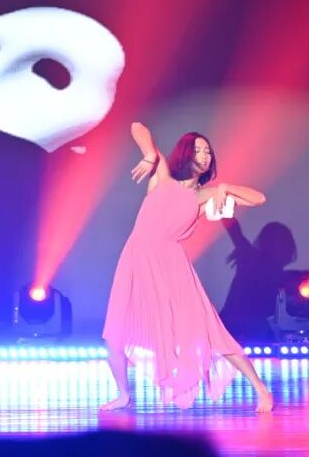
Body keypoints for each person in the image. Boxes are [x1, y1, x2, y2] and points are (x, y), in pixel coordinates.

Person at [100, 122, 273, 412]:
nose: (204, 155)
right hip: (135, 261)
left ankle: (260, 388)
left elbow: (259, 198)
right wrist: (149, 155)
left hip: (172, 265)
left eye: (208, 151)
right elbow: (137, 126)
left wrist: (226, 188)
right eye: (198, 150)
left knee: (210, 331)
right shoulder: (162, 177)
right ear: (185, 153)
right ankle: (123, 395)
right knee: (114, 333)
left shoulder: (204, 196)